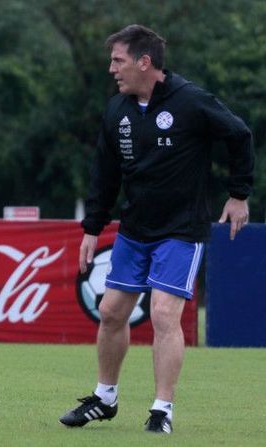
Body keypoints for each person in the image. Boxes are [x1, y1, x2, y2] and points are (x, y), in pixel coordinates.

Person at [59, 25, 254, 433]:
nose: (112, 68)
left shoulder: (191, 101)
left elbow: (239, 134)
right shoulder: (117, 110)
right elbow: (104, 174)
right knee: (111, 312)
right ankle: (105, 398)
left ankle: (162, 410)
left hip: (181, 230)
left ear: (144, 62)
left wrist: (238, 194)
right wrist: (92, 227)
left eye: (118, 60)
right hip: (135, 229)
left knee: (165, 315)